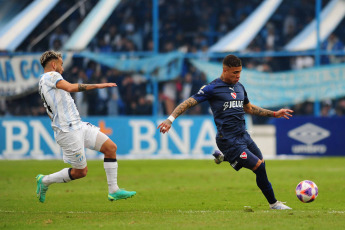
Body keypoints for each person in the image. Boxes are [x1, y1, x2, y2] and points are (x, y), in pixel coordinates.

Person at [157, 54, 293, 210]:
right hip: (228, 140)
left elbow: (249, 108)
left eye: (240, 72)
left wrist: (275, 113)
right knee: (259, 167)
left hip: (244, 136)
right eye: (235, 72)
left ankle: (225, 157)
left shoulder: (240, 87)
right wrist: (170, 119)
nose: (238, 76)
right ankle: (274, 204)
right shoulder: (212, 88)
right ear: (225, 70)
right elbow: (189, 102)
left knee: (262, 165)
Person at [36, 50, 136, 203]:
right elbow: (70, 87)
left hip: (78, 125)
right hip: (67, 130)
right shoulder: (52, 76)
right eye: (61, 65)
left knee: (110, 148)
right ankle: (45, 181)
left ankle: (114, 190)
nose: (62, 69)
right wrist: (98, 85)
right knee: (80, 172)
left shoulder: (44, 80)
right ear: (54, 65)